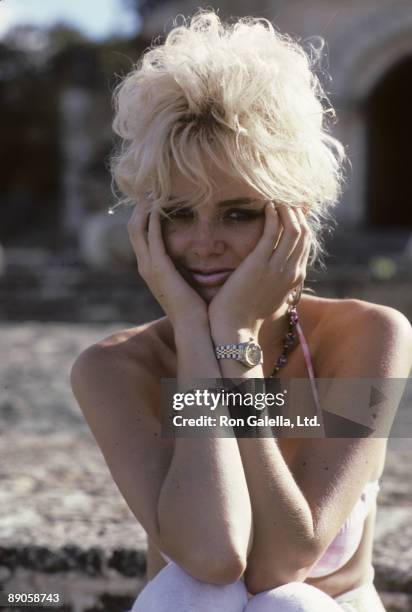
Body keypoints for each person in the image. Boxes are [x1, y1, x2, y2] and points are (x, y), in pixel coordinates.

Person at [70, 9, 412, 611]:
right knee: (192, 587)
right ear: (146, 221)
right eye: (178, 213)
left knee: (290, 603)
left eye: (237, 212)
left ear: (295, 214)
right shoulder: (112, 368)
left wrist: (235, 337)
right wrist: (205, 340)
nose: (203, 242)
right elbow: (215, 554)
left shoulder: (371, 336)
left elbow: (286, 559)